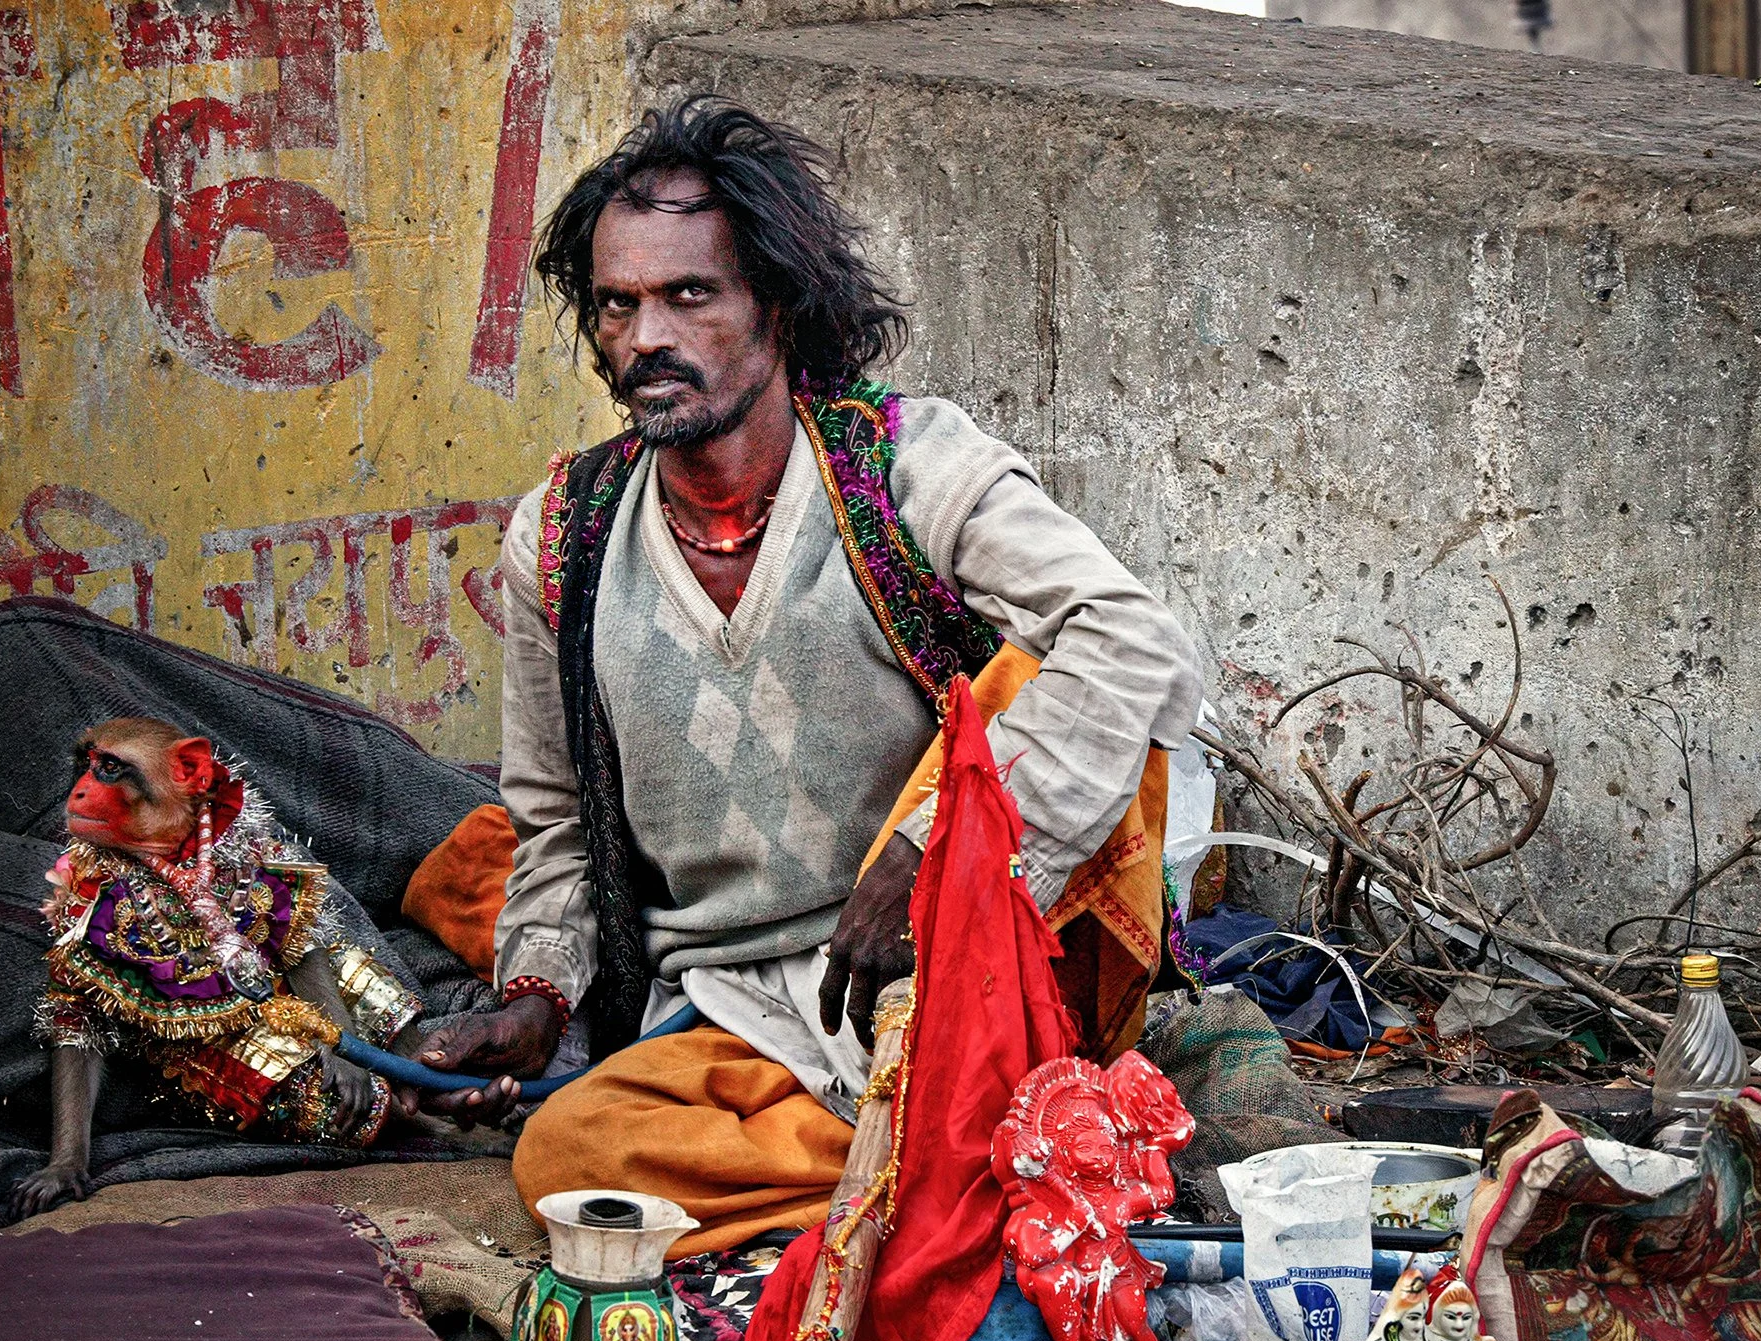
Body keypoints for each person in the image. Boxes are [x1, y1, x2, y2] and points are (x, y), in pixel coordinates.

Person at [411, 95, 1202, 1255]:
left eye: (691, 295)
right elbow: (554, 820)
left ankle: (966, 1141)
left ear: (775, 307)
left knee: (1043, 675)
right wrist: (537, 998)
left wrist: (936, 854)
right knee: (567, 1157)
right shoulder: (563, 535)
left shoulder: (907, 470)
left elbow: (1132, 638)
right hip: (733, 1009)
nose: (646, 338)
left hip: (949, 971)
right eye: (618, 305)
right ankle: (979, 1165)